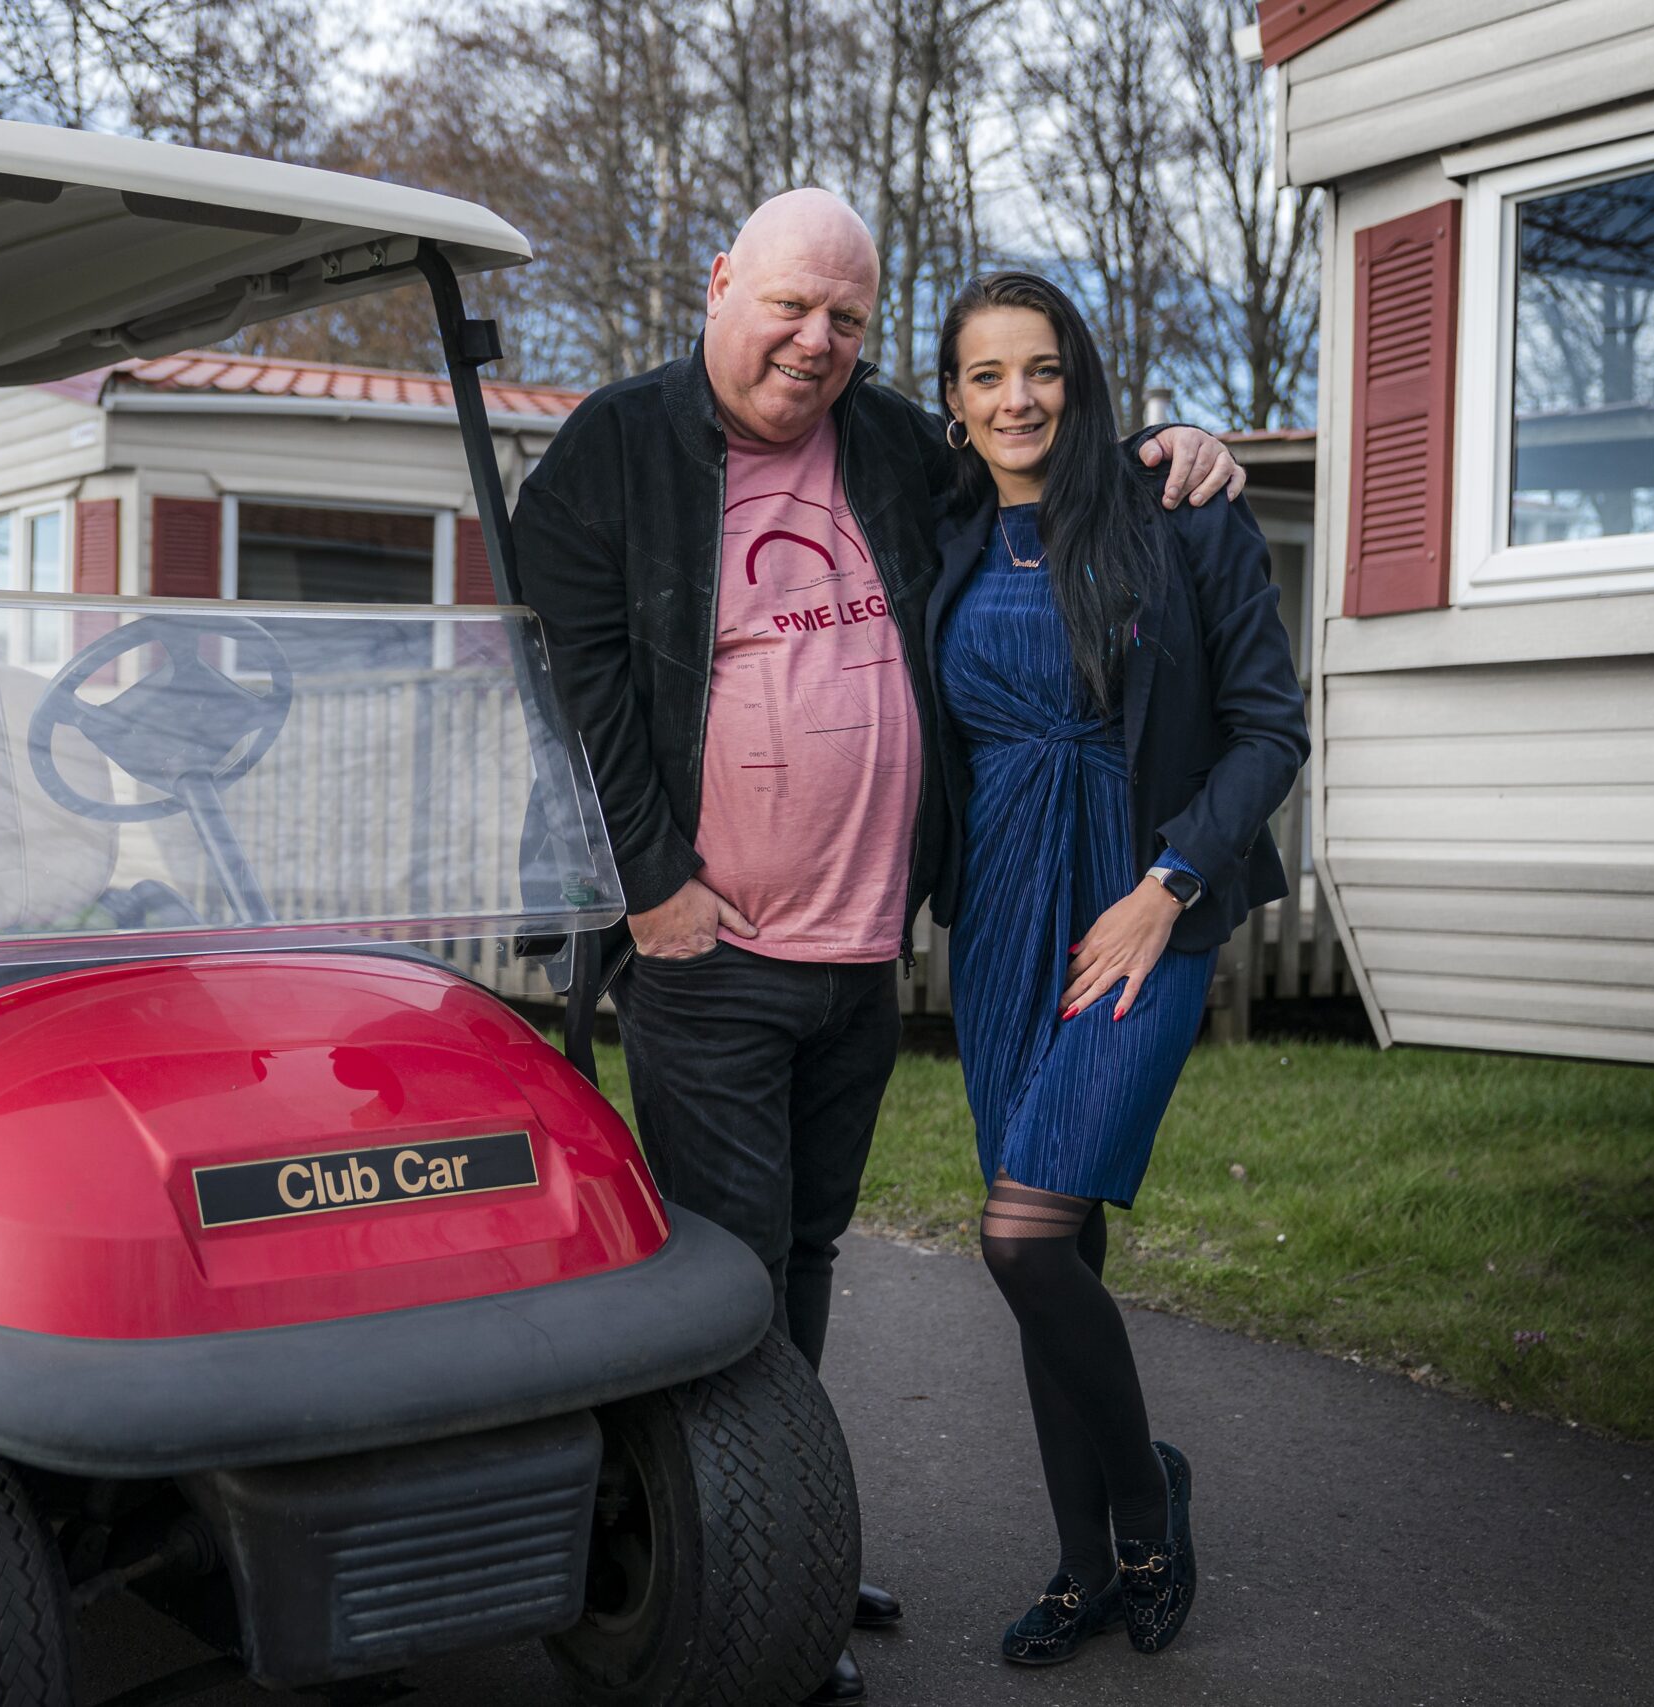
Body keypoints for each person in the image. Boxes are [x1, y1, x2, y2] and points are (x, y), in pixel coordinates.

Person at [511, 191, 1247, 1705]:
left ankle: (784, 1541)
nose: (815, 342)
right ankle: (731, 1580)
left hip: (866, 951)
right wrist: (652, 885)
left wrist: (1183, 439)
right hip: (714, 954)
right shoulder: (617, 452)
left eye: (846, 319)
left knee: (802, 1257)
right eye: (790, 306)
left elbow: (1040, 439)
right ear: (722, 285)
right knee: (729, 1276)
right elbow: (569, 683)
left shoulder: (896, 443)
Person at [924, 270, 1306, 1666]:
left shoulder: (1176, 509)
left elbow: (1270, 727)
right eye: (984, 376)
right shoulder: (944, 526)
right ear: (954, 405)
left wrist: (1168, 886)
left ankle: (1149, 1499)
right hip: (1003, 915)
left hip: (1136, 905)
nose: (1016, 398)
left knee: (1019, 1235)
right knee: (1052, 1253)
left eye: (1042, 369)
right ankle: (1087, 1567)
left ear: (1079, 378)